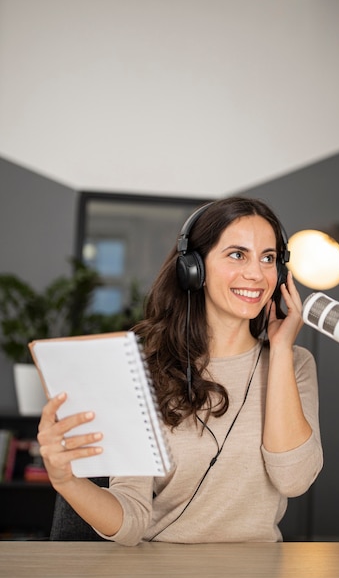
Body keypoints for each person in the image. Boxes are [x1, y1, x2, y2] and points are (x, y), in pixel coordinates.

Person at [38, 196, 323, 545]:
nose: (256, 273)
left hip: (260, 576)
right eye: (237, 254)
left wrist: (280, 351)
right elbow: (131, 522)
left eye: (268, 258)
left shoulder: (295, 363)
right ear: (194, 268)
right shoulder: (146, 367)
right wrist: (66, 480)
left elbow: (293, 479)